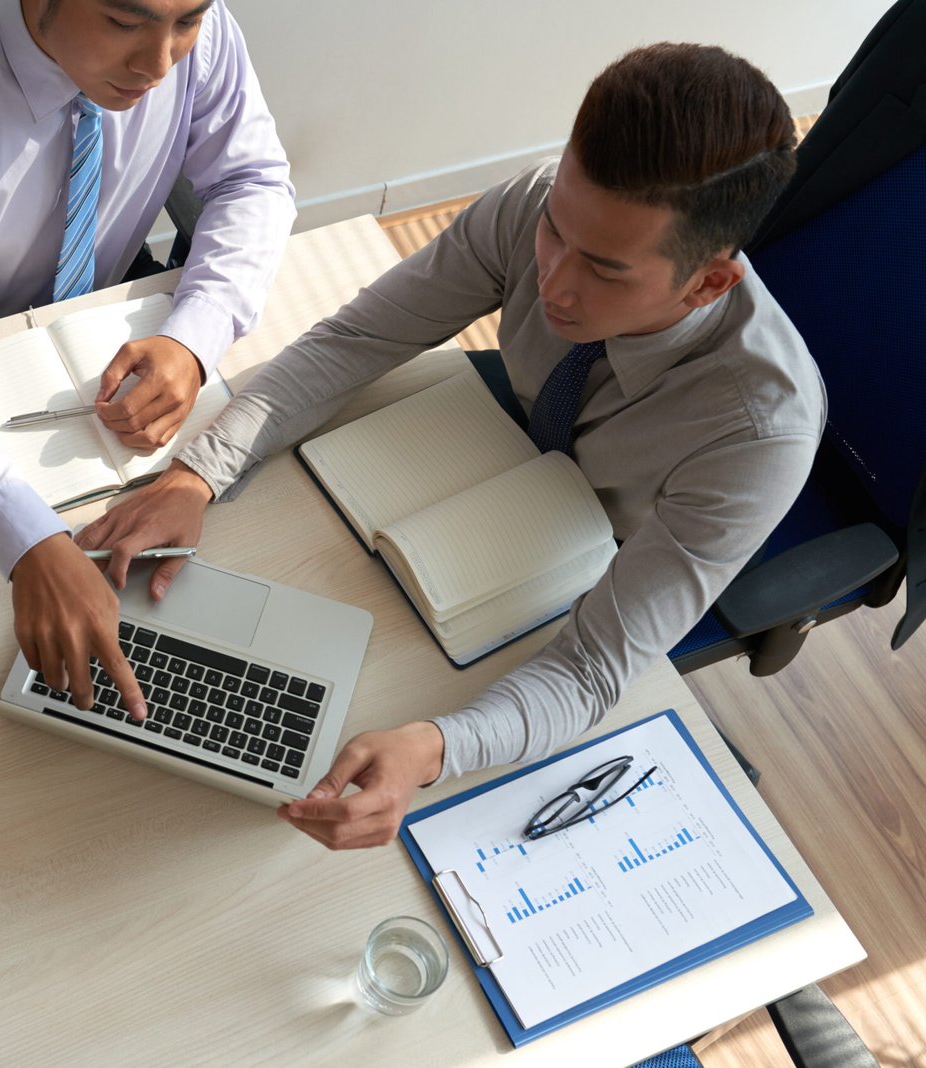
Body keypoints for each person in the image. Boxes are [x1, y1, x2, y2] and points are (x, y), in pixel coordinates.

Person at [78, 43, 823, 850]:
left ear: (710, 283)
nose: (554, 282)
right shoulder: (540, 202)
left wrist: (435, 748)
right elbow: (357, 338)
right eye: (554, 232)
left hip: (586, 559)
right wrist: (195, 476)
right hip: (480, 451)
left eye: (605, 271)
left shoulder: (759, 435)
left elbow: (595, 668)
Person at [0, 0, 295, 720]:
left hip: (99, 347)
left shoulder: (195, 32)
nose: (160, 62)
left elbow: (253, 184)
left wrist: (194, 337)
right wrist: (21, 540)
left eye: (187, 22)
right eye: (125, 22)